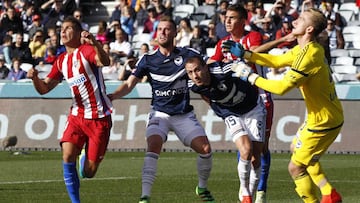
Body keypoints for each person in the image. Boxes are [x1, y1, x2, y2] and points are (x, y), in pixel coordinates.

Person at [225, 8, 344, 203]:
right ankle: (329, 192)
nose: (296, 21)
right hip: (323, 116)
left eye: (302, 19)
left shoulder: (308, 56)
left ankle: (315, 200)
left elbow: (281, 88)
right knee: (296, 150)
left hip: (323, 122)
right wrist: (248, 55)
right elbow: (277, 60)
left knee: (295, 167)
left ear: (309, 29)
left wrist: (249, 75)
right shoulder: (306, 49)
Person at [108, 15, 215, 203]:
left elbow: (209, 66)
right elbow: (129, 84)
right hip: (160, 113)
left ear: (175, 33)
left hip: (183, 115)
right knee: (154, 144)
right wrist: (112, 97)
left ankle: (202, 188)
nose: (162, 33)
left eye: (166, 29)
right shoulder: (148, 59)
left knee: (206, 149)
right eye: (159, 29)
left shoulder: (188, 55)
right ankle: (145, 196)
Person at [26, 16, 113, 203]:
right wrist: (35, 78)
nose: (63, 32)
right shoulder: (61, 61)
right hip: (77, 115)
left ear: (78, 32)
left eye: (67, 28)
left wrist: (96, 43)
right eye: (61, 29)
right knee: (66, 155)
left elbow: (105, 62)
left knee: (89, 172)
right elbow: (45, 88)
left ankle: (86, 160)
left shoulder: (87, 50)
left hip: (99, 118)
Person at [208, 4, 273, 203]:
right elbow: (211, 63)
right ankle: (246, 191)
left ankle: (261, 188)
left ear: (243, 21)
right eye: (226, 17)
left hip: (260, 97)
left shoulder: (252, 36)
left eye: (232, 17)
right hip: (236, 102)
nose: (227, 21)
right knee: (244, 148)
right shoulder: (222, 43)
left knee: (260, 150)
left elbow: (253, 53)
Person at [185, 56, 266, 203]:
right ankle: (246, 193)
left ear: (205, 67)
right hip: (230, 112)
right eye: (190, 72)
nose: (194, 76)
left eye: (197, 70)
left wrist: (244, 67)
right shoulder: (193, 84)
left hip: (253, 108)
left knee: (255, 157)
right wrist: (218, 109)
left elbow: (242, 67)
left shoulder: (221, 69)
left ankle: (250, 195)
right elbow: (205, 95)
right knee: (246, 150)